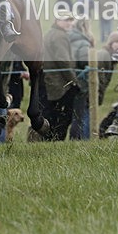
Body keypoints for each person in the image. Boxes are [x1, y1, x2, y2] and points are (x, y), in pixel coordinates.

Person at [41, 10, 78, 140]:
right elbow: (62, 60)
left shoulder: (50, 34)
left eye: (70, 20)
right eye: (66, 20)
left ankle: (50, 142)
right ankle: (57, 143)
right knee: (63, 118)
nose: (69, 23)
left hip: (49, 82)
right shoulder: (60, 36)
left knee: (51, 115)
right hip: (60, 85)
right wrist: (73, 81)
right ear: (57, 21)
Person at [68, 16, 94, 140]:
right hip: (81, 83)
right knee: (80, 114)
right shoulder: (83, 43)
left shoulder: (68, 39)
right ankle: (79, 139)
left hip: (69, 81)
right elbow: (84, 63)